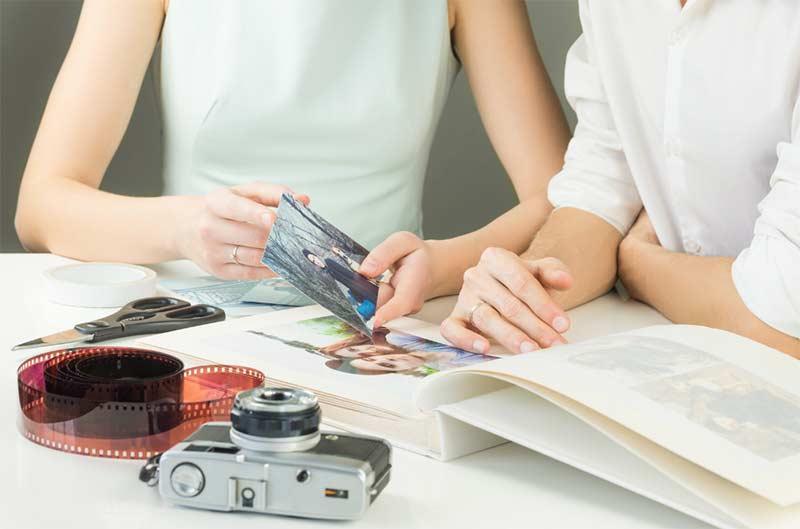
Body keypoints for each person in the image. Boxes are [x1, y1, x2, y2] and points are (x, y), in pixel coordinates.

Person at [15, 0, 570, 309]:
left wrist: (440, 266)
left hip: (384, 330)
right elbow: (42, 208)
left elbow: (567, 198)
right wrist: (184, 227)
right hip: (195, 326)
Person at [430, 1, 800, 358]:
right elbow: (601, 188)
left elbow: (780, 316)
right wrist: (520, 291)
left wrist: (643, 268)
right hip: (692, 367)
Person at [303, 249, 378, 320]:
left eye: (313, 258)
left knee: (373, 296)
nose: (316, 261)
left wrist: (358, 281)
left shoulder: (328, 261)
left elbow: (345, 271)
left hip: (355, 283)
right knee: (369, 303)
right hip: (352, 290)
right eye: (313, 261)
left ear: (315, 256)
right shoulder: (324, 273)